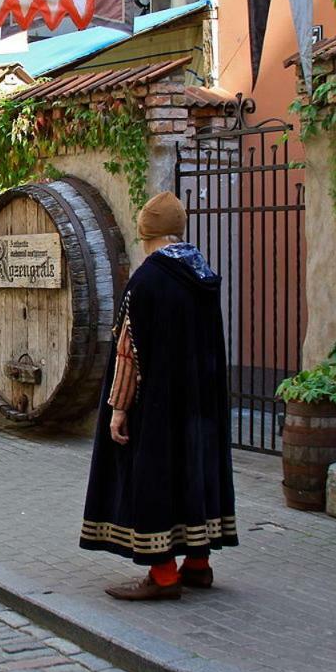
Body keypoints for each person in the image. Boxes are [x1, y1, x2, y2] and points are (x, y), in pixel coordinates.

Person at [79, 191, 237, 600]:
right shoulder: (202, 275)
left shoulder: (147, 280)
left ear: (146, 233)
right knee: (194, 475)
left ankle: (164, 575)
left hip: (160, 403)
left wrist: (117, 409)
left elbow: (128, 351)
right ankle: (198, 565)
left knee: (156, 479)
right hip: (200, 401)